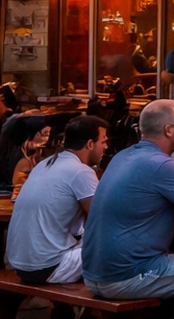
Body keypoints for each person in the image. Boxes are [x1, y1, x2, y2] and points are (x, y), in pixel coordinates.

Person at [82, 99, 174, 304]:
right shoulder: (163, 164)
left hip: (93, 273)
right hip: (127, 276)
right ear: (169, 130)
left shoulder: (122, 156)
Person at [7, 115, 106, 287]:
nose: (106, 146)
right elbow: (103, 219)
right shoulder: (81, 171)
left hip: (20, 264)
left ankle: (67, 313)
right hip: (49, 266)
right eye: (103, 141)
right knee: (118, 246)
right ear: (90, 144)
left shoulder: (44, 164)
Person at [8, 118, 52, 191]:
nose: (47, 138)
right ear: (33, 134)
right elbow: (20, 186)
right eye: (45, 134)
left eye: (49, 134)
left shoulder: (38, 155)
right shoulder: (24, 161)